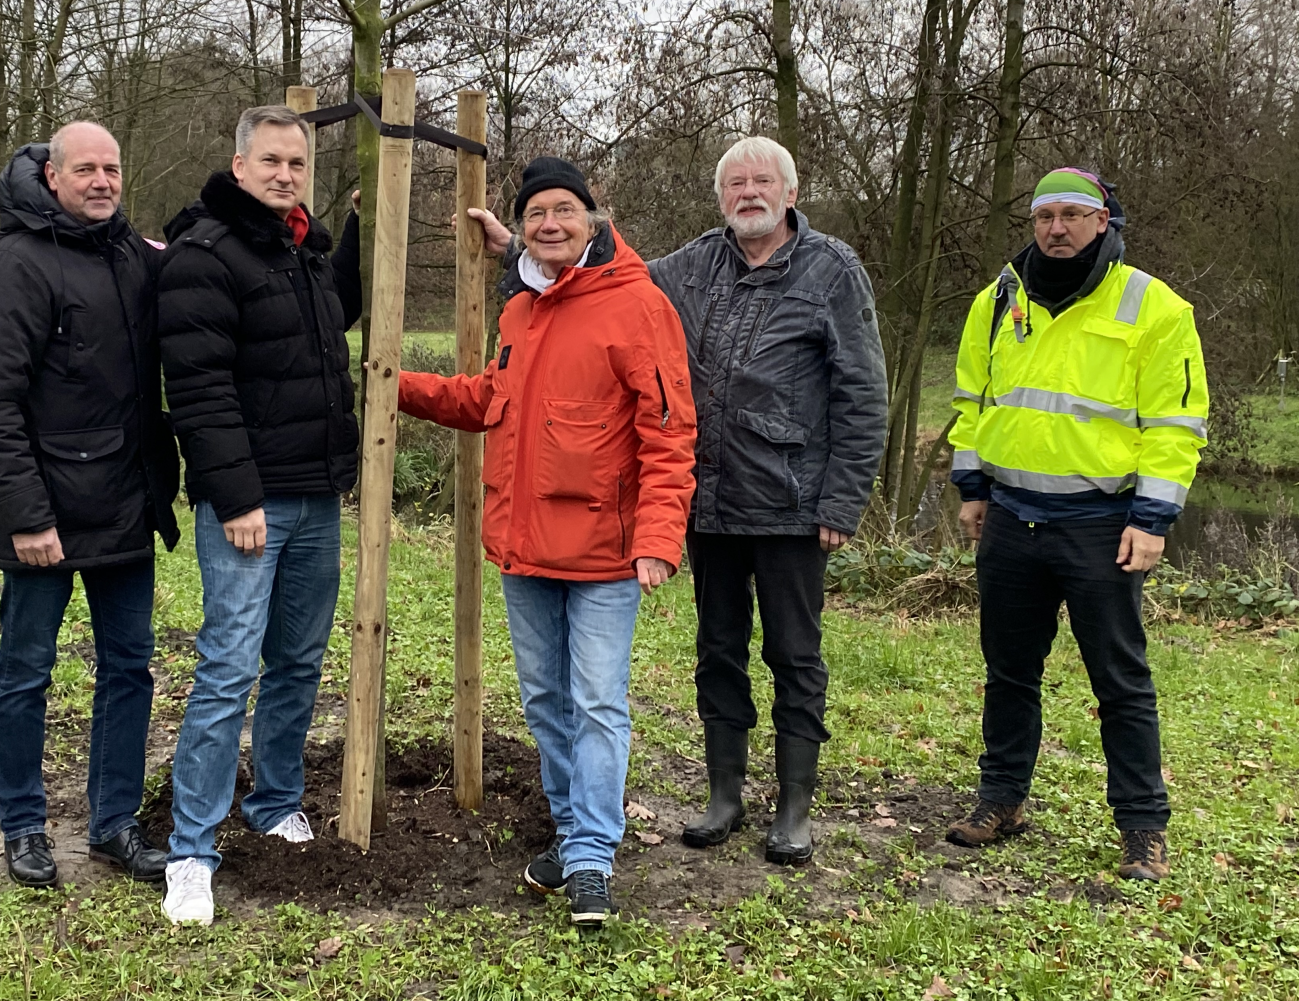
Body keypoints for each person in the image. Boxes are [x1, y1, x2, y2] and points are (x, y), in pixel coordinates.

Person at [468, 139, 886, 864]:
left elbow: (862, 391)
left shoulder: (832, 271)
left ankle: (793, 804)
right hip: (711, 501)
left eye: (763, 181)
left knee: (794, 652)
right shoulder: (693, 264)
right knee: (718, 650)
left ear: (790, 192)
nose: (748, 193)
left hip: (791, 502)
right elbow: (593, 283)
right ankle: (725, 794)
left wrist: (841, 500)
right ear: (721, 197)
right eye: (735, 183)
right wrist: (518, 248)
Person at [402, 156, 697, 928]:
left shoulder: (638, 305)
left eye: (565, 210)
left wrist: (661, 536)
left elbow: (668, 431)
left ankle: (593, 857)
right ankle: (572, 836)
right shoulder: (521, 312)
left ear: (594, 220)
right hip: (525, 547)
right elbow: (490, 400)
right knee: (546, 702)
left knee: (597, 702)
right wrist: (395, 384)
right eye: (537, 214)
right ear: (523, 229)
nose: (551, 224)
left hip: (605, 551)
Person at [946, 168, 1207, 881]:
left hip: (1102, 524)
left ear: (1102, 221)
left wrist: (1153, 518)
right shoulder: (999, 299)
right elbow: (974, 398)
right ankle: (1001, 798)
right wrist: (972, 486)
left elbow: (1177, 425)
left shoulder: (1153, 306)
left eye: (1071, 215)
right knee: (1008, 672)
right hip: (1010, 517)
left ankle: (1142, 828)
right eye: (1043, 216)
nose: (1055, 229)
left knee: (1120, 681)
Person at [0, 122, 181, 888]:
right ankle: (22, 826)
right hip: (45, 517)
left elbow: (205, 279)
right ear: (51, 175)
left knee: (130, 669)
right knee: (26, 671)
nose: (102, 181)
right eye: (86, 169)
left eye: (113, 168)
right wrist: (27, 515)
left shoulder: (133, 258)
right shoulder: (13, 268)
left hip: (125, 504)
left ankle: (113, 823)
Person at [154, 105, 361, 926]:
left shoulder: (302, 251)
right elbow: (198, 388)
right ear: (239, 166)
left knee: (299, 663)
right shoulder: (206, 254)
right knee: (228, 669)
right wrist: (236, 496)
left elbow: (322, 335)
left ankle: (273, 802)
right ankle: (191, 853)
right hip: (252, 504)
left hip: (315, 496)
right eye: (271, 161)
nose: (285, 173)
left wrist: (357, 235)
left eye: (297, 163)